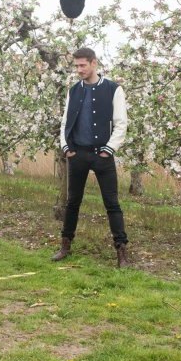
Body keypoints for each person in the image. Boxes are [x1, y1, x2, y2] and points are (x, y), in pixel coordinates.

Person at [51, 47, 130, 267]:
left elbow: (121, 124)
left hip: (102, 155)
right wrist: (67, 148)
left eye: (82, 65)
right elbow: (66, 122)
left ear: (94, 63)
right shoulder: (74, 91)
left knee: (112, 204)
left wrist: (109, 149)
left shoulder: (114, 89)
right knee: (72, 202)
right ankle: (65, 245)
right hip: (78, 154)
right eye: (76, 66)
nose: (79, 70)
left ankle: (122, 251)